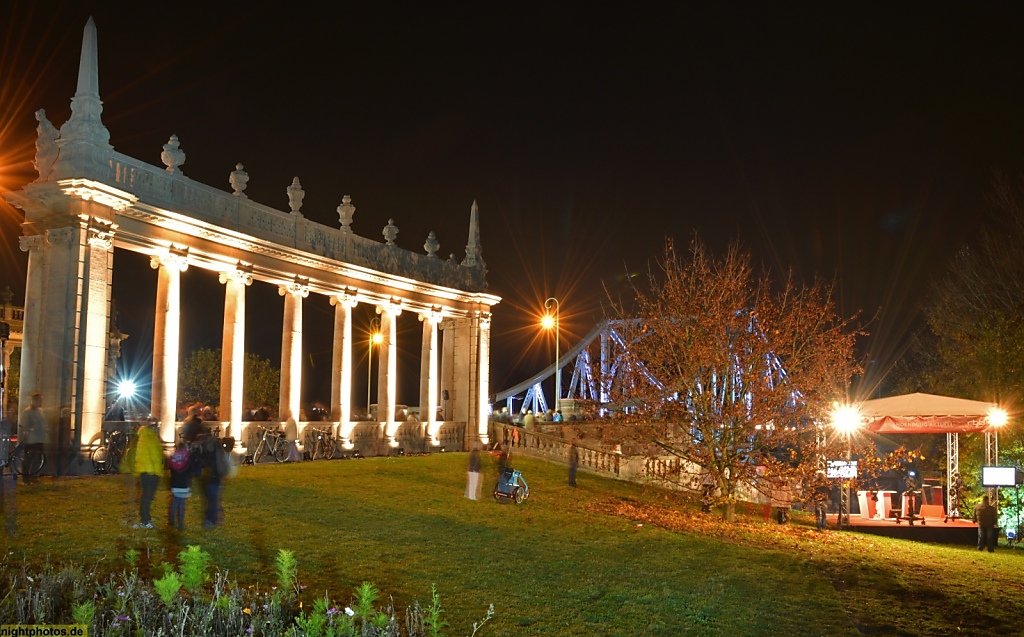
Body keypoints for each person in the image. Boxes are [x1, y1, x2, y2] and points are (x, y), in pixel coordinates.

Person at [130, 424, 164, 529]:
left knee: (145, 496)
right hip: (151, 472)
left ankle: (145, 518)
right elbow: (156, 456)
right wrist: (159, 472)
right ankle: (145, 520)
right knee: (147, 497)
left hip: (144, 471)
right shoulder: (151, 438)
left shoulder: (142, 437)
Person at [19, 393, 46, 483]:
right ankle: (26, 478)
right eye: (39, 400)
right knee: (28, 459)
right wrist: (29, 431)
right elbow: (23, 425)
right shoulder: (28, 411)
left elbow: (43, 423)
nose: (40, 402)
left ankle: (33, 477)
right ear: (34, 400)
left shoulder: (40, 411)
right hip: (31, 439)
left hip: (39, 438)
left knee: (37, 458)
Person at [168, 443, 193, 530]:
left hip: (175, 483)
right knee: (182, 504)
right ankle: (180, 523)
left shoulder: (173, 458)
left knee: (174, 502)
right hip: (184, 484)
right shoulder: (187, 458)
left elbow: (171, 471)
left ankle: (171, 520)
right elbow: (190, 472)